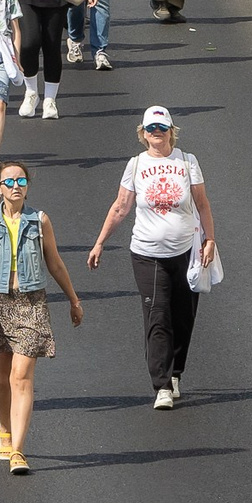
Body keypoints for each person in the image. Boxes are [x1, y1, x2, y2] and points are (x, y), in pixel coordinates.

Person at [86, 106, 214, 409]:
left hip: (186, 250)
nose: (157, 133)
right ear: (143, 134)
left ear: (172, 131)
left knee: (183, 315)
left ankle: (176, 371)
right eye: (151, 129)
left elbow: (203, 204)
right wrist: (100, 243)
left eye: (162, 128)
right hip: (146, 253)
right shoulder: (136, 165)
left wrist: (210, 240)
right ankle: (162, 385)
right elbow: (120, 207)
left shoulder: (187, 161)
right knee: (158, 314)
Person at [0, 157, 84, 471]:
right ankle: (5, 431)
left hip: (31, 304)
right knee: (0, 378)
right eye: (9, 182)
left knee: (21, 378)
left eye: (21, 182)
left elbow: (53, 262)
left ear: (28, 187)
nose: (16, 187)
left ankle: (18, 451)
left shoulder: (39, 221)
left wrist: (73, 299)